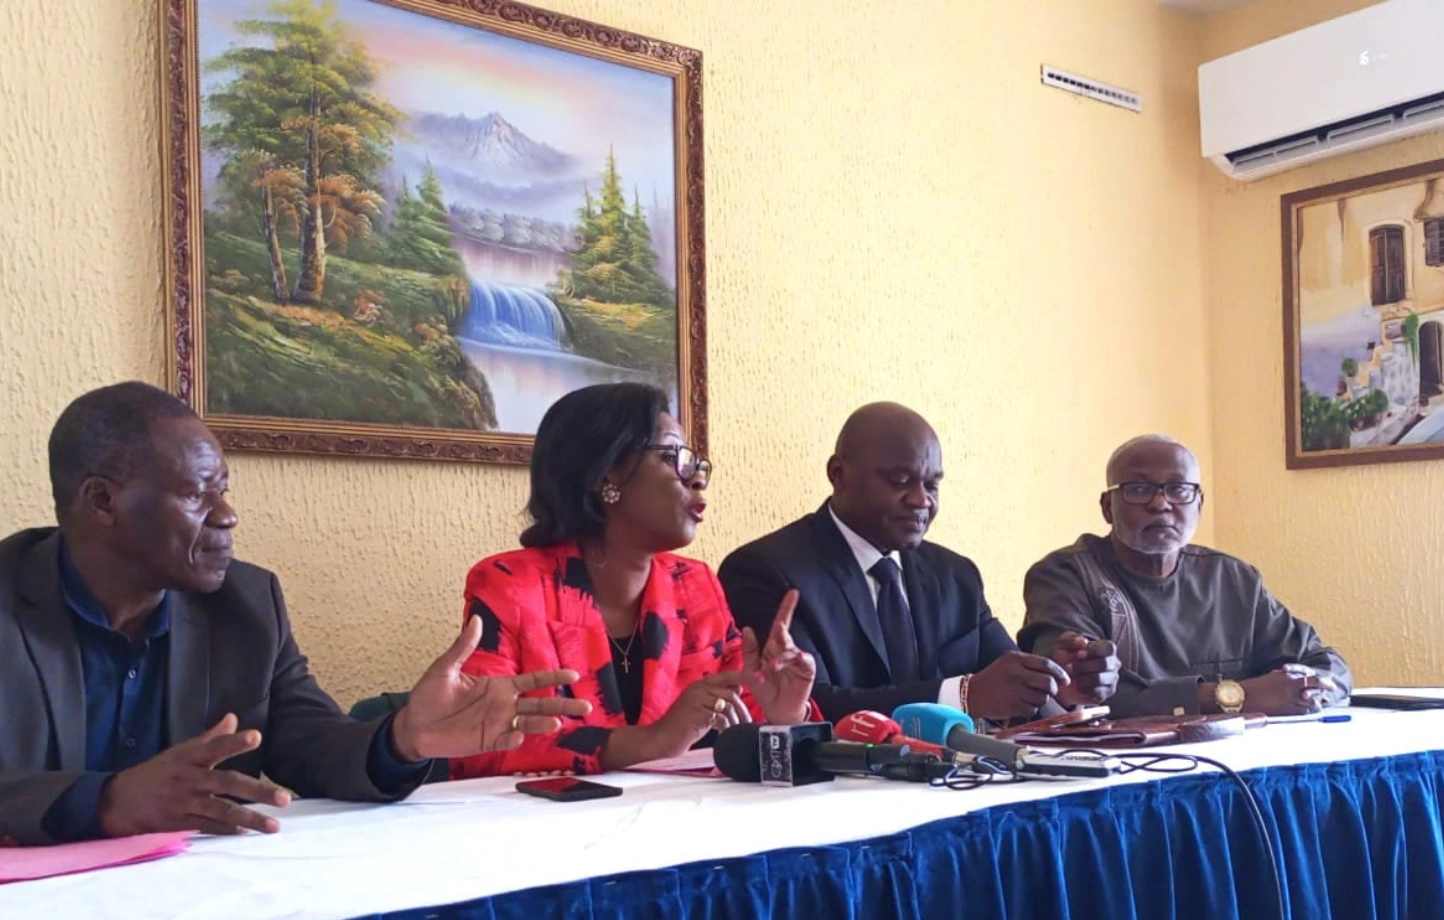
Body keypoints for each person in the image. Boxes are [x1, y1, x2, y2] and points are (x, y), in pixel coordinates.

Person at [0, 382, 590, 847]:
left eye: (224, 489)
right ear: (102, 501)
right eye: (197, 494)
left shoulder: (247, 605)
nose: (227, 515)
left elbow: (310, 744)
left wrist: (405, 739)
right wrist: (108, 801)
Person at [450, 383, 818, 778]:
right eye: (675, 457)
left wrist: (784, 713)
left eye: (696, 463)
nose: (697, 479)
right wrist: (652, 740)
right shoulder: (510, 585)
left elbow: (745, 718)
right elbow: (477, 743)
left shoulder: (694, 586)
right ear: (605, 471)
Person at [717, 402, 1119, 725]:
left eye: (932, 484)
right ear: (838, 475)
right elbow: (802, 704)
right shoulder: (765, 570)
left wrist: (1060, 684)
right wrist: (962, 697)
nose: (921, 500)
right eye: (900, 482)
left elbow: (1006, 677)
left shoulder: (956, 575)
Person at [1017, 434, 1352, 718]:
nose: (1160, 503)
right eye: (1138, 489)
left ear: (1199, 504)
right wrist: (1237, 697)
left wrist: (1310, 689)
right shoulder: (1065, 577)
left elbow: (1327, 664)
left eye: (1179, 490)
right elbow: (1083, 692)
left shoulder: (1232, 578)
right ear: (1108, 507)